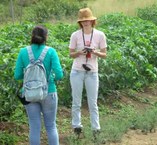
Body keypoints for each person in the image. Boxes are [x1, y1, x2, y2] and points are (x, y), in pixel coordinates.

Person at [14, 25, 64, 145]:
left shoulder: (23, 52)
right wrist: (50, 78)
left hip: (29, 94)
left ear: (32, 36)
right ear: (46, 37)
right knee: (51, 126)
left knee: (34, 127)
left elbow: (17, 76)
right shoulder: (51, 51)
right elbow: (59, 74)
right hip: (49, 91)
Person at [69, 7, 107, 138]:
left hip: (92, 71)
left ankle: (96, 129)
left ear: (92, 21)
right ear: (80, 22)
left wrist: (95, 51)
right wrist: (80, 52)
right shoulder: (75, 35)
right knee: (76, 101)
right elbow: (71, 54)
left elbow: (104, 54)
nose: (86, 23)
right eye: (83, 21)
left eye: (88, 20)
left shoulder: (100, 35)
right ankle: (77, 127)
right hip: (77, 71)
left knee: (93, 102)